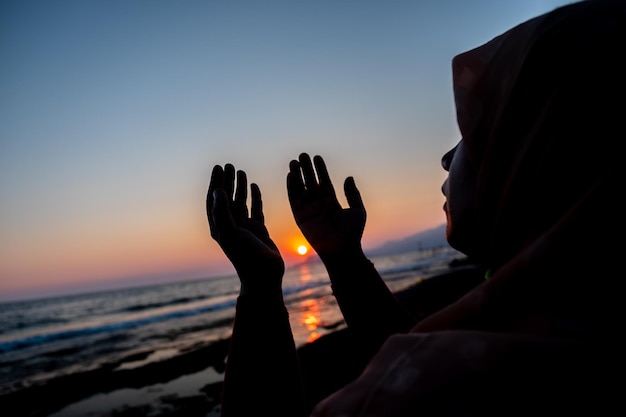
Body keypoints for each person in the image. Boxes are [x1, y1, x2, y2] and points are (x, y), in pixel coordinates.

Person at [207, 0, 624, 415]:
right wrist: (343, 256)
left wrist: (260, 290)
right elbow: (410, 348)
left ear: (531, 156)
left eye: (473, 132)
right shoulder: (578, 315)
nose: (447, 157)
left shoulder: (474, 387)